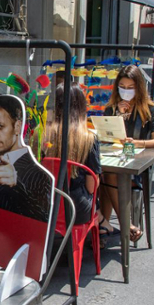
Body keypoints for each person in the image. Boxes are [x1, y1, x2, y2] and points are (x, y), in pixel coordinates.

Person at [100, 65, 154, 243]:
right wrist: (118, 116)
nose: (125, 92)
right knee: (101, 176)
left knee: (107, 176)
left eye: (130, 88)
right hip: (114, 158)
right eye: (122, 87)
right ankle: (112, 226)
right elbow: (106, 137)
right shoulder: (111, 109)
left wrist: (137, 143)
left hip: (137, 165)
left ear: (138, 88)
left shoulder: (149, 110)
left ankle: (113, 226)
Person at [45, 83, 115, 235]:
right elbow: (91, 187)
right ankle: (103, 223)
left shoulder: (41, 135)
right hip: (76, 209)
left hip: (45, 206)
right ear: (82, 107)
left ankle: (103, 223)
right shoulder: (88, 138)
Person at [0, 94, 52, 223]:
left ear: (18, 127)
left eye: (0, 126)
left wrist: (17, 186)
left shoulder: (38, 174)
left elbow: (41, 223)